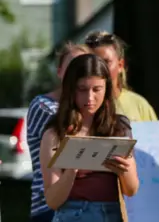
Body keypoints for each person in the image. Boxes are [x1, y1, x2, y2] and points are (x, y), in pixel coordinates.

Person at [39, 54, 139, 222]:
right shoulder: (55, 134)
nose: (90, 98)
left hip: (112, 214)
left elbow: (131, 190)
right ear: (71, 89)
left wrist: (126, 169)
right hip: (72, 215)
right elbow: (52, 201)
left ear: (106, 88)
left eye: (97, 89)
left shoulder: (119, 128)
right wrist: (71, 169)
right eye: (82, 89)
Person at [26, 43, 90, 222]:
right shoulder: (43, 106)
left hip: (86, 207)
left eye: (82, 68)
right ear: (59, 71)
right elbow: (73, 134)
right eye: (71, 67)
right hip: (49, 208)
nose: (76, 74)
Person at [85, 31, 157, 122]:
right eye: (93, 62)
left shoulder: (139, 105)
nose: (99, 68)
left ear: (120, 65)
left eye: (106, 62)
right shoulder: (80, 103)